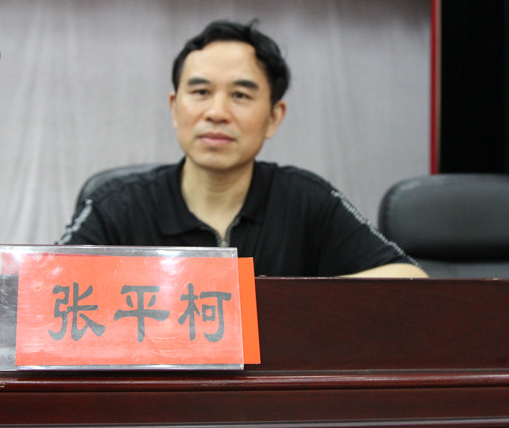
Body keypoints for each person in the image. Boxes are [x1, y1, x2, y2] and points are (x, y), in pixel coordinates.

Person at [59, 20, 427, 278]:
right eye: (201, 92)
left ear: (273, 117)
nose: (217, 112)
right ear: (174, 108)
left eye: (240, 95)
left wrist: (279, 303)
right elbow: (43, 287)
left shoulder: (306, 201)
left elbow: (408, 278)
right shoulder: (117, 205)